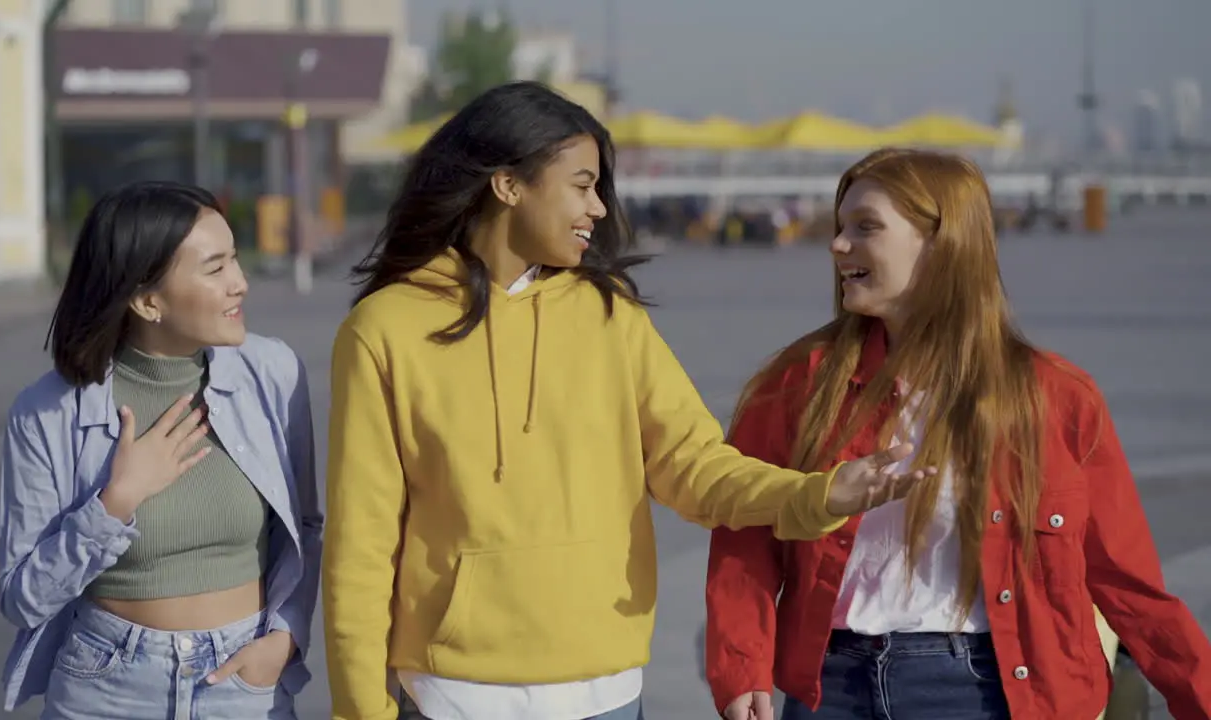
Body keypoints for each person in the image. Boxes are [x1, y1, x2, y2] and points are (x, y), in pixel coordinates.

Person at [320, 82, 939, 720]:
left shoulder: (610, 313)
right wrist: (360, 708)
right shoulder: (385, 330)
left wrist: (817, 496)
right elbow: (360, 545)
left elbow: (696, 467)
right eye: (581, 185)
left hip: (610, 693)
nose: (598, 208)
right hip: (455, 695)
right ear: (508, 185)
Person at [703, 148, 1211, 720]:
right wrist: (740, 665)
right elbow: (746, 534)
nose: (837, 244)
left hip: (983, 690)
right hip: (827, 688)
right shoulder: (799, 383)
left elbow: (1127, 582)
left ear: (943, 244)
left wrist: (1199, 696)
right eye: (841, 226)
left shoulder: (1057, 397)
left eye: (865, 227)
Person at [0, 181, 322, 719]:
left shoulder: (273, 372)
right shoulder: (46, 412)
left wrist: (285, 639)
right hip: (106, 688)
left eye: (235, 261)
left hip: (243, 683)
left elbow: (307, 529)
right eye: (215, 269)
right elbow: (22, 598)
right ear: (147, 300)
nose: (240, 283)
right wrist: (114, 504)